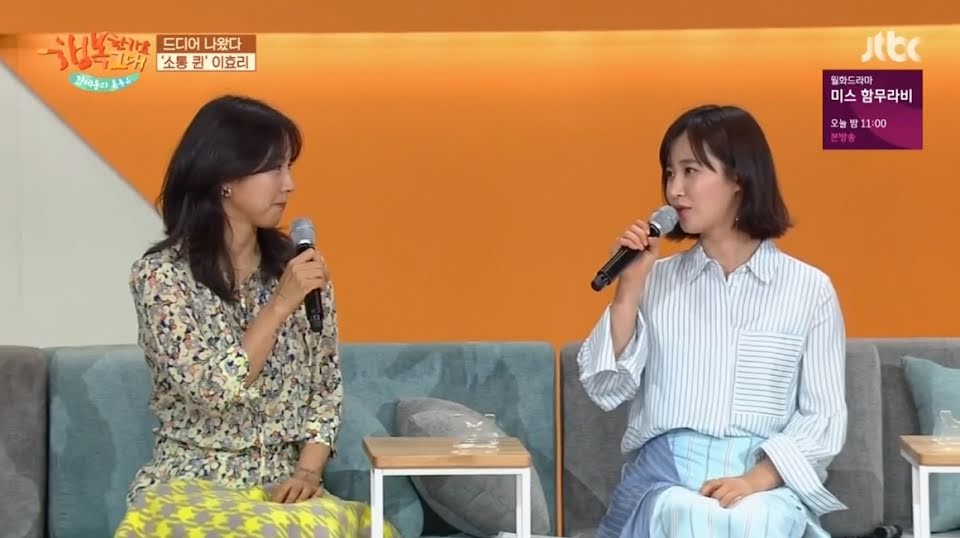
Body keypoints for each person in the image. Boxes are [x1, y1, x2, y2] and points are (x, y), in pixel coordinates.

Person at [114, 95, 397, 538]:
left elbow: (326, 388)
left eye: (289, 167)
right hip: (192, 483)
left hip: (284, 489)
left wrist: (307, 473)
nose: (289, 185)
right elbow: (211, 390)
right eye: (274, 169)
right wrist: (279, 305)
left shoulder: (300, 272)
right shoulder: (161, 277)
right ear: (224, 178)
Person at [578, 104, 848, 538]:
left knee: (753, 518)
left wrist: (755, 480)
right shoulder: (655, 280)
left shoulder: (809, 290)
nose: (675, 190)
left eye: (690, 171)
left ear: (738, 177)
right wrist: (628, 288)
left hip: (762, 480)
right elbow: (605, 387)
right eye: (670, 173)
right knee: (688, 514)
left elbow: (823, 415)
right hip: (667, 479)